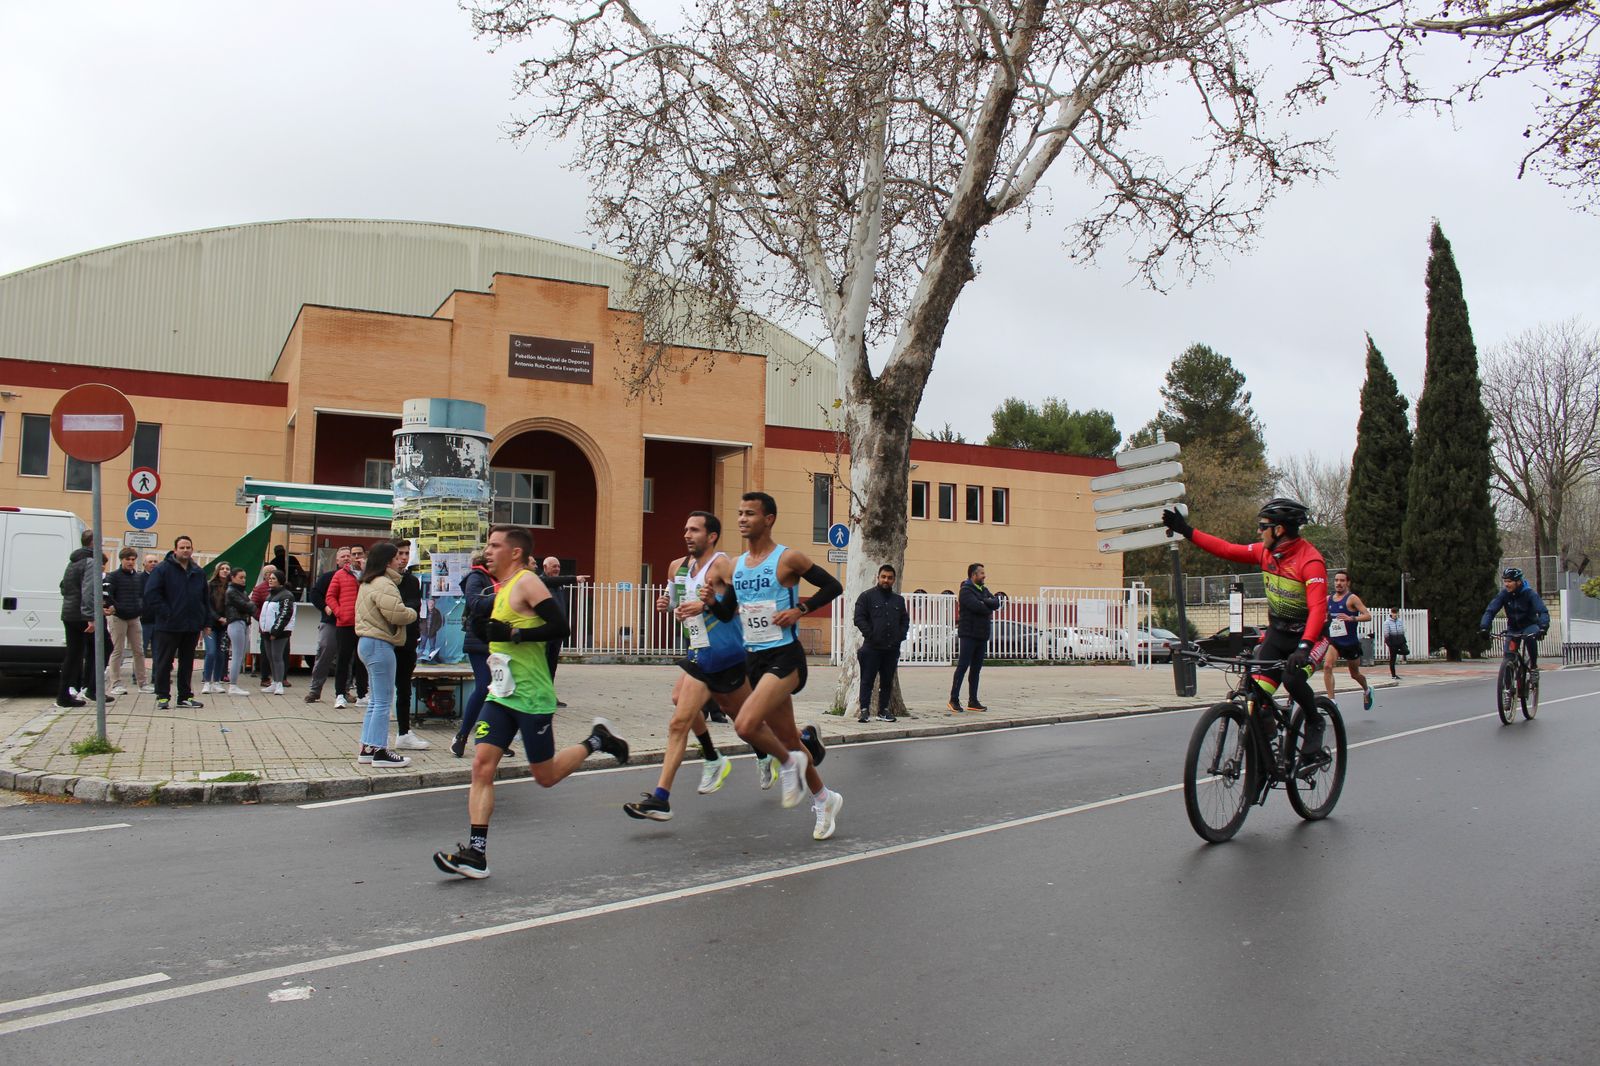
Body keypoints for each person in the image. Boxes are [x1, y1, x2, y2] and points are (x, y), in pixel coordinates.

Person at [434, 526, 630, 879]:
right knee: (481, 766)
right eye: (488, 545)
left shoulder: (527, 582)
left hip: (532, 697)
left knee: (546, 776)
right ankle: (476, 854)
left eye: (495, 545)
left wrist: (515, 634)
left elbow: (560, 627)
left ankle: (597, 739)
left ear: (515, 553)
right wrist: (487, 631)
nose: (487, 551)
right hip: (501, 693)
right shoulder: (501, 587)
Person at [700, 492, 846, 841]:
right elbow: (727, 612)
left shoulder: (787, 558)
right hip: (754, 658)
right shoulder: (736, 566)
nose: (742, 519)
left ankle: (789, 764)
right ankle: (824, 798)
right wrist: (711, 602)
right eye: (740, 513)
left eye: (750, 513)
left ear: (769, 519)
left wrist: (800, 610)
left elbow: (833, 585)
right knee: (789, 738)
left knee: (746, 725)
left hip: (785, 657)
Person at [1163, 499, 1332, 764]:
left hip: (1310, 637)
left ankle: (1315, 721)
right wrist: (1187, 531)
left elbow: (1318, 608)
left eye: (1262, 526)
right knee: (1256, 696)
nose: (1258, 531)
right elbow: (1227, 549)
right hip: (1278, 634)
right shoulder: (1265, 553)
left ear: (1279, 530)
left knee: (1292, 679)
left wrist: (1304, 647)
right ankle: (1266, 759)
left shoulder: (1310, 561)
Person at [623, 511, 745, 822]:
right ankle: (665, 795)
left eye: (694, 530)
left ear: (712, 536)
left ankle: (799, 741)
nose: (687, 535)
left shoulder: (722, 564)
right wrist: (669, 606)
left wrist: (707, 604)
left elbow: (738, 604)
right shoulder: (679, 567)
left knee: (750, 724)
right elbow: (678, 601)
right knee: (679, 716)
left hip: (727, 653)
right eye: (686, 529)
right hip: (699, 652)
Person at [353, 541, 418, 768]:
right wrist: (412, 612)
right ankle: (380, 751)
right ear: (387, 561)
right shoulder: (384, 583)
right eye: (396, 557)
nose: (401, 560)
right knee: (383, 701)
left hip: (368, 642)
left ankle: (368, 748)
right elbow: (396, 614)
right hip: (380, 643)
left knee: (375, 700)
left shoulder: (368, 581)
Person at [144, 535, 210, 710]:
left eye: (188, 547)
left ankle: (185, 697)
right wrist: (166, 613)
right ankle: (162, 696)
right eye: (182, 547)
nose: (185, 550)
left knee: (187, 663)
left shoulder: (198, 572)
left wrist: (205, 622)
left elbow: (205, 598)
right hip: (168, 625)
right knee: (164, 662)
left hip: (191, 625)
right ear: (175, 550)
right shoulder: (162, 569)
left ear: (192, 549)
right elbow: (151, 594)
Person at [451, 553, 496, 758]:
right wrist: (503, 596)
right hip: (478, 641)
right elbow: (476, 603)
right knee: (484, 687)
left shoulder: (496, 578)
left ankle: (494, 739)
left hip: (496, 640)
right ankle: (461, 736)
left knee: (499, 691)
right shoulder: (476, 577)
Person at [854, 563, 910, 722]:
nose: (886, 580)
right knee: (867, 680)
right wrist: (870, 634)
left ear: (894, 580)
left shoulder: (899, 600)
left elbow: (904, 620)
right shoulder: (866, 596)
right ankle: (864, 710)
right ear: (877, 577)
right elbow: (859, 618)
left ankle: (883, 710)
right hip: (871, 647)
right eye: (883, 577)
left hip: (891, 648)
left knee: (887, 681)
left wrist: (900, 636)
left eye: (890, 578)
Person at [391, 540, 428, 750]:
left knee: (404, 689)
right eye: (400, 553)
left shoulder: (412, 581)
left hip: (407, 641)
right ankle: (375, 740)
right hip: (386, 640)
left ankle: (404, 732)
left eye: (406, 553)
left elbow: (414, 607)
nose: (404, 558)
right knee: (381, 692)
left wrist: (400, 612)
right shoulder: (382, 580)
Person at [539, 556, 589, 708]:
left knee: (552, 665)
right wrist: (574, 578)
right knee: (543, 665)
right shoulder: (540, 582)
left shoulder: (559, 586)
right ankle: (541, 696)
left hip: (556, 633)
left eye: (558, 567)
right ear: (545, 567)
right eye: (553, 566)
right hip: (545, 632)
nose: (557, 569)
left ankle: (549, 695)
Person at [1480, 566, 1550, 675]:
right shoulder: (1504, 594)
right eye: (1505, 581)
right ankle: (1508, 681)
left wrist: (1543, 627)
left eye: (1509, 581)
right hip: (1513, 628)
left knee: (1530, 639)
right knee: (1508, 656)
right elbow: (1490, 611)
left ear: (1518, 582)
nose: (1506, 584)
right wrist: (1484, 627)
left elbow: (1542, 611)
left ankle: (1533, 667)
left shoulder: (1530, 593)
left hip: (1529, 625)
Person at [55, 531, 98, 708]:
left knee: (73, 655)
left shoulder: (73, 562)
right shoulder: (90, 562)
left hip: (69, 612)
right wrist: (90, 617)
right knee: (97, 649)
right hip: (81, 614)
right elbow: (89, 591)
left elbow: (63, 586)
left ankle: (65, 694)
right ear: (93, 542)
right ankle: (88, 689)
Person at [303, 546, 351, 704]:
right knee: (324, 654)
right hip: (330, 622)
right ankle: (315, 690)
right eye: (343, 556)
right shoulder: (328, 577)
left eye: (348, 556)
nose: (346, 558)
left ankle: (344, 691)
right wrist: (325, 607)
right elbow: (315, 594)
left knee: (347, 658)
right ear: (337, 560)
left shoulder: (356, 577)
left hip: (348, 623)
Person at [949, 563, 999, 713]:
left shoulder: (984, 590)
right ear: (973, 575)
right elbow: (978, 607)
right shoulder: (965, 590)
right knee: (963, 666)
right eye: (982, 573)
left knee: (976, 669)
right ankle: (953, 699)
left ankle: (973, 701)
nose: (984, 576)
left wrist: (986, 602)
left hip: (981, 635)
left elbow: (996, 603)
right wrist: (986, 604)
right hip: (968, 635)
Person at [1323, 569, 1375, 709]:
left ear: (1348, 583)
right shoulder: (1328, 599)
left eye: (1342, 580)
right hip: (1335, 641)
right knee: (1327, 666)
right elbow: (1324, 615)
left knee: (1355, 674)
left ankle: (1367, 690)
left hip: (1350, 643)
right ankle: (1332, 702)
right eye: (1336, 580)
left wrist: (1351, 618)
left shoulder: (1352, 598)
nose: (1339, 583)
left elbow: (1368, 616)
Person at [327, 545, 369, 709]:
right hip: (345, 623)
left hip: (364, 623)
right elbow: (330, 596)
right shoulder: (340, 574)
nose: (356, 557)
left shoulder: (369, 574)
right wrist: (340, 613)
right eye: (353, 554)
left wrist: (366, 572)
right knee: (343, 660)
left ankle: (362, 694)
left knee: (362, 660)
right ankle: (340, 694)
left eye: (359, 554)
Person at [104, 547, 148, 696]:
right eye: (127, 559)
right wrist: (116, 607)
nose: (130, 562)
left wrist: (140, 608)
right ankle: (115, 683)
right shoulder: (113, 576)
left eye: (133, 559)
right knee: (117, 650)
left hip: (134, 616)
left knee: (139, 650)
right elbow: (108, 595)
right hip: (118, 617)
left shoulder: (138, 577)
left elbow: (142, 595)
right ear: (121, 560)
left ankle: (142, 682)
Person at [260, 568, 296, 694]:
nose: (270, 580)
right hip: (267, 631)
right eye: (269, 578)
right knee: (270, 657)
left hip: (280, 632)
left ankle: (280, 683)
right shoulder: (270, 595)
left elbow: (285, 614)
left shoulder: (286, 596)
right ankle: (275, 682)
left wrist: (275, 631)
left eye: (273, 578)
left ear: (280, 581)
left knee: (277, 657)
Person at [200, 562, 233, 695]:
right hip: (210, 624)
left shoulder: (231, 587)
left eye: (227, 569)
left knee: (221, 653)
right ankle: (207, 681)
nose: (225, 571)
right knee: (211, 652)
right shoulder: (210, 585)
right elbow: (207, 605)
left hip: (225, 626)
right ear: (217, 571)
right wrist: (218, 618)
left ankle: (217, 681)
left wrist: (228, 619)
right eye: (222, 568)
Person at [223, 567, 256, 697]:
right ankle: (233, 685)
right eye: (241, 577)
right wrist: (250, 605)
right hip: (236, 622)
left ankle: (234, 684)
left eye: (244, 577)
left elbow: (249, 606)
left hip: (243, 622)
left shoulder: (240, 591)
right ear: (233, 577)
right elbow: (247, 605)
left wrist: (250, 605)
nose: (243, 580)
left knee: (240, 655)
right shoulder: (231, 591)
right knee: (237, 655)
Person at [250, 564, 277, 688]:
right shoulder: (259, 589)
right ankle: (265, 677)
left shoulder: (282, 589)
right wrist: (262, 619)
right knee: (265, 653)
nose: (272, 575)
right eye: (269, 573)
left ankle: (281, 678)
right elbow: (253, 607)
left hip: (281, 627)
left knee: (282, 652)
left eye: (274, 572)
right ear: (265, 575)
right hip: (266, 628)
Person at [140, 554, 160, 666]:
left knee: (158, 651)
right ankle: (137, 674)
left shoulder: (162, 578)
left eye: (155, 561)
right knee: (140, 650)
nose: (153, 564)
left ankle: (156, 674)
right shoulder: (139, 579)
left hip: (159, 620)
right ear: (144, 564)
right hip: (144, 620)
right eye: (150, 561)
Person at [1382, 608, 1409, 680]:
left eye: (1396, 613)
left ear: (1398, 613)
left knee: (1406, 651)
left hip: (1401, 641)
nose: (1395, 614)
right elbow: (1386, 634)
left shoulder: (1400, 621)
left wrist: (1404, 640)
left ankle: (1396, 652)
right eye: (1393, 613)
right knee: (1393, 659)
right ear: (1391, 613)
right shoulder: (1387, 622)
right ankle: (1393, 675)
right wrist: (1389, 644)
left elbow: (1402, 631)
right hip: (1392, 642)